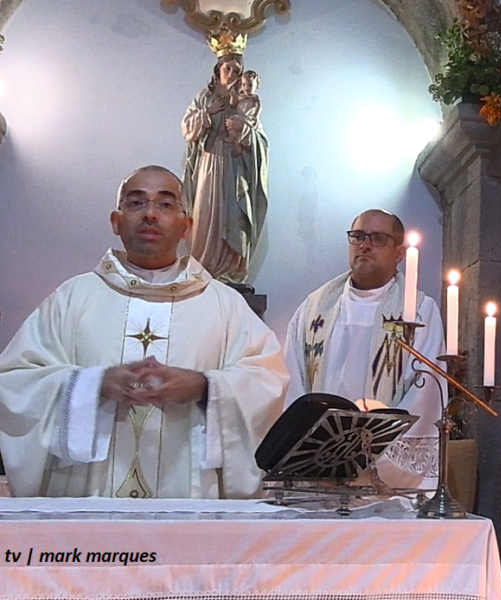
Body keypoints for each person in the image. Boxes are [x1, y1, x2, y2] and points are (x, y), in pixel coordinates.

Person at [0, 165, 288, 498]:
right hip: (88, 506)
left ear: (186, 226)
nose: (150, 214)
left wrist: (204, 386)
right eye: (136, 203)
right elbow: (15, 381)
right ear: (115, 221)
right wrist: (93, 384)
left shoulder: (225, 304)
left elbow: (266, 381)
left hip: (189, 500)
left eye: (165, 205)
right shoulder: (73, 298)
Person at [283, 209, 441, 489]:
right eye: (357, 237)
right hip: (318, 466)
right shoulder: (313, 309)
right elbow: (292, 384)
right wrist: (312, 448)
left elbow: (423, 393)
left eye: (378, 238)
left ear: (399, 253)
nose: (364, 245)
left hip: (383, 478)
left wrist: (368, 452)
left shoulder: (419, 311)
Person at [182, 52, 268, 284]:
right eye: (227, 68)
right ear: (218, 69)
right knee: (206, 213)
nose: (231, 74)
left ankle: (230, 271)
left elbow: (259, 140)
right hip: (209, 164)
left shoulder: (245, 102)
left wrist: (243, 129)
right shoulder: (205, 97)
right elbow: (187, 129)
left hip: (234, 165)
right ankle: (204, 267)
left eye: (236, 71)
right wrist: (207, 114)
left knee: (234, 212)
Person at [225, 70, 262, 158]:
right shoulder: (241, 96)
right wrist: (233, 96)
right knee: (231, 124)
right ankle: (237, 147)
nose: (247, 88)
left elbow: (259, 106)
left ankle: (245, 145)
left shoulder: (254, 98)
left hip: (248, 118)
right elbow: (232, 104)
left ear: (256, 86)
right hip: (239, 117)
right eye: (244, 85)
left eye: (250, 85)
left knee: (243, 132)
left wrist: (256, 116)